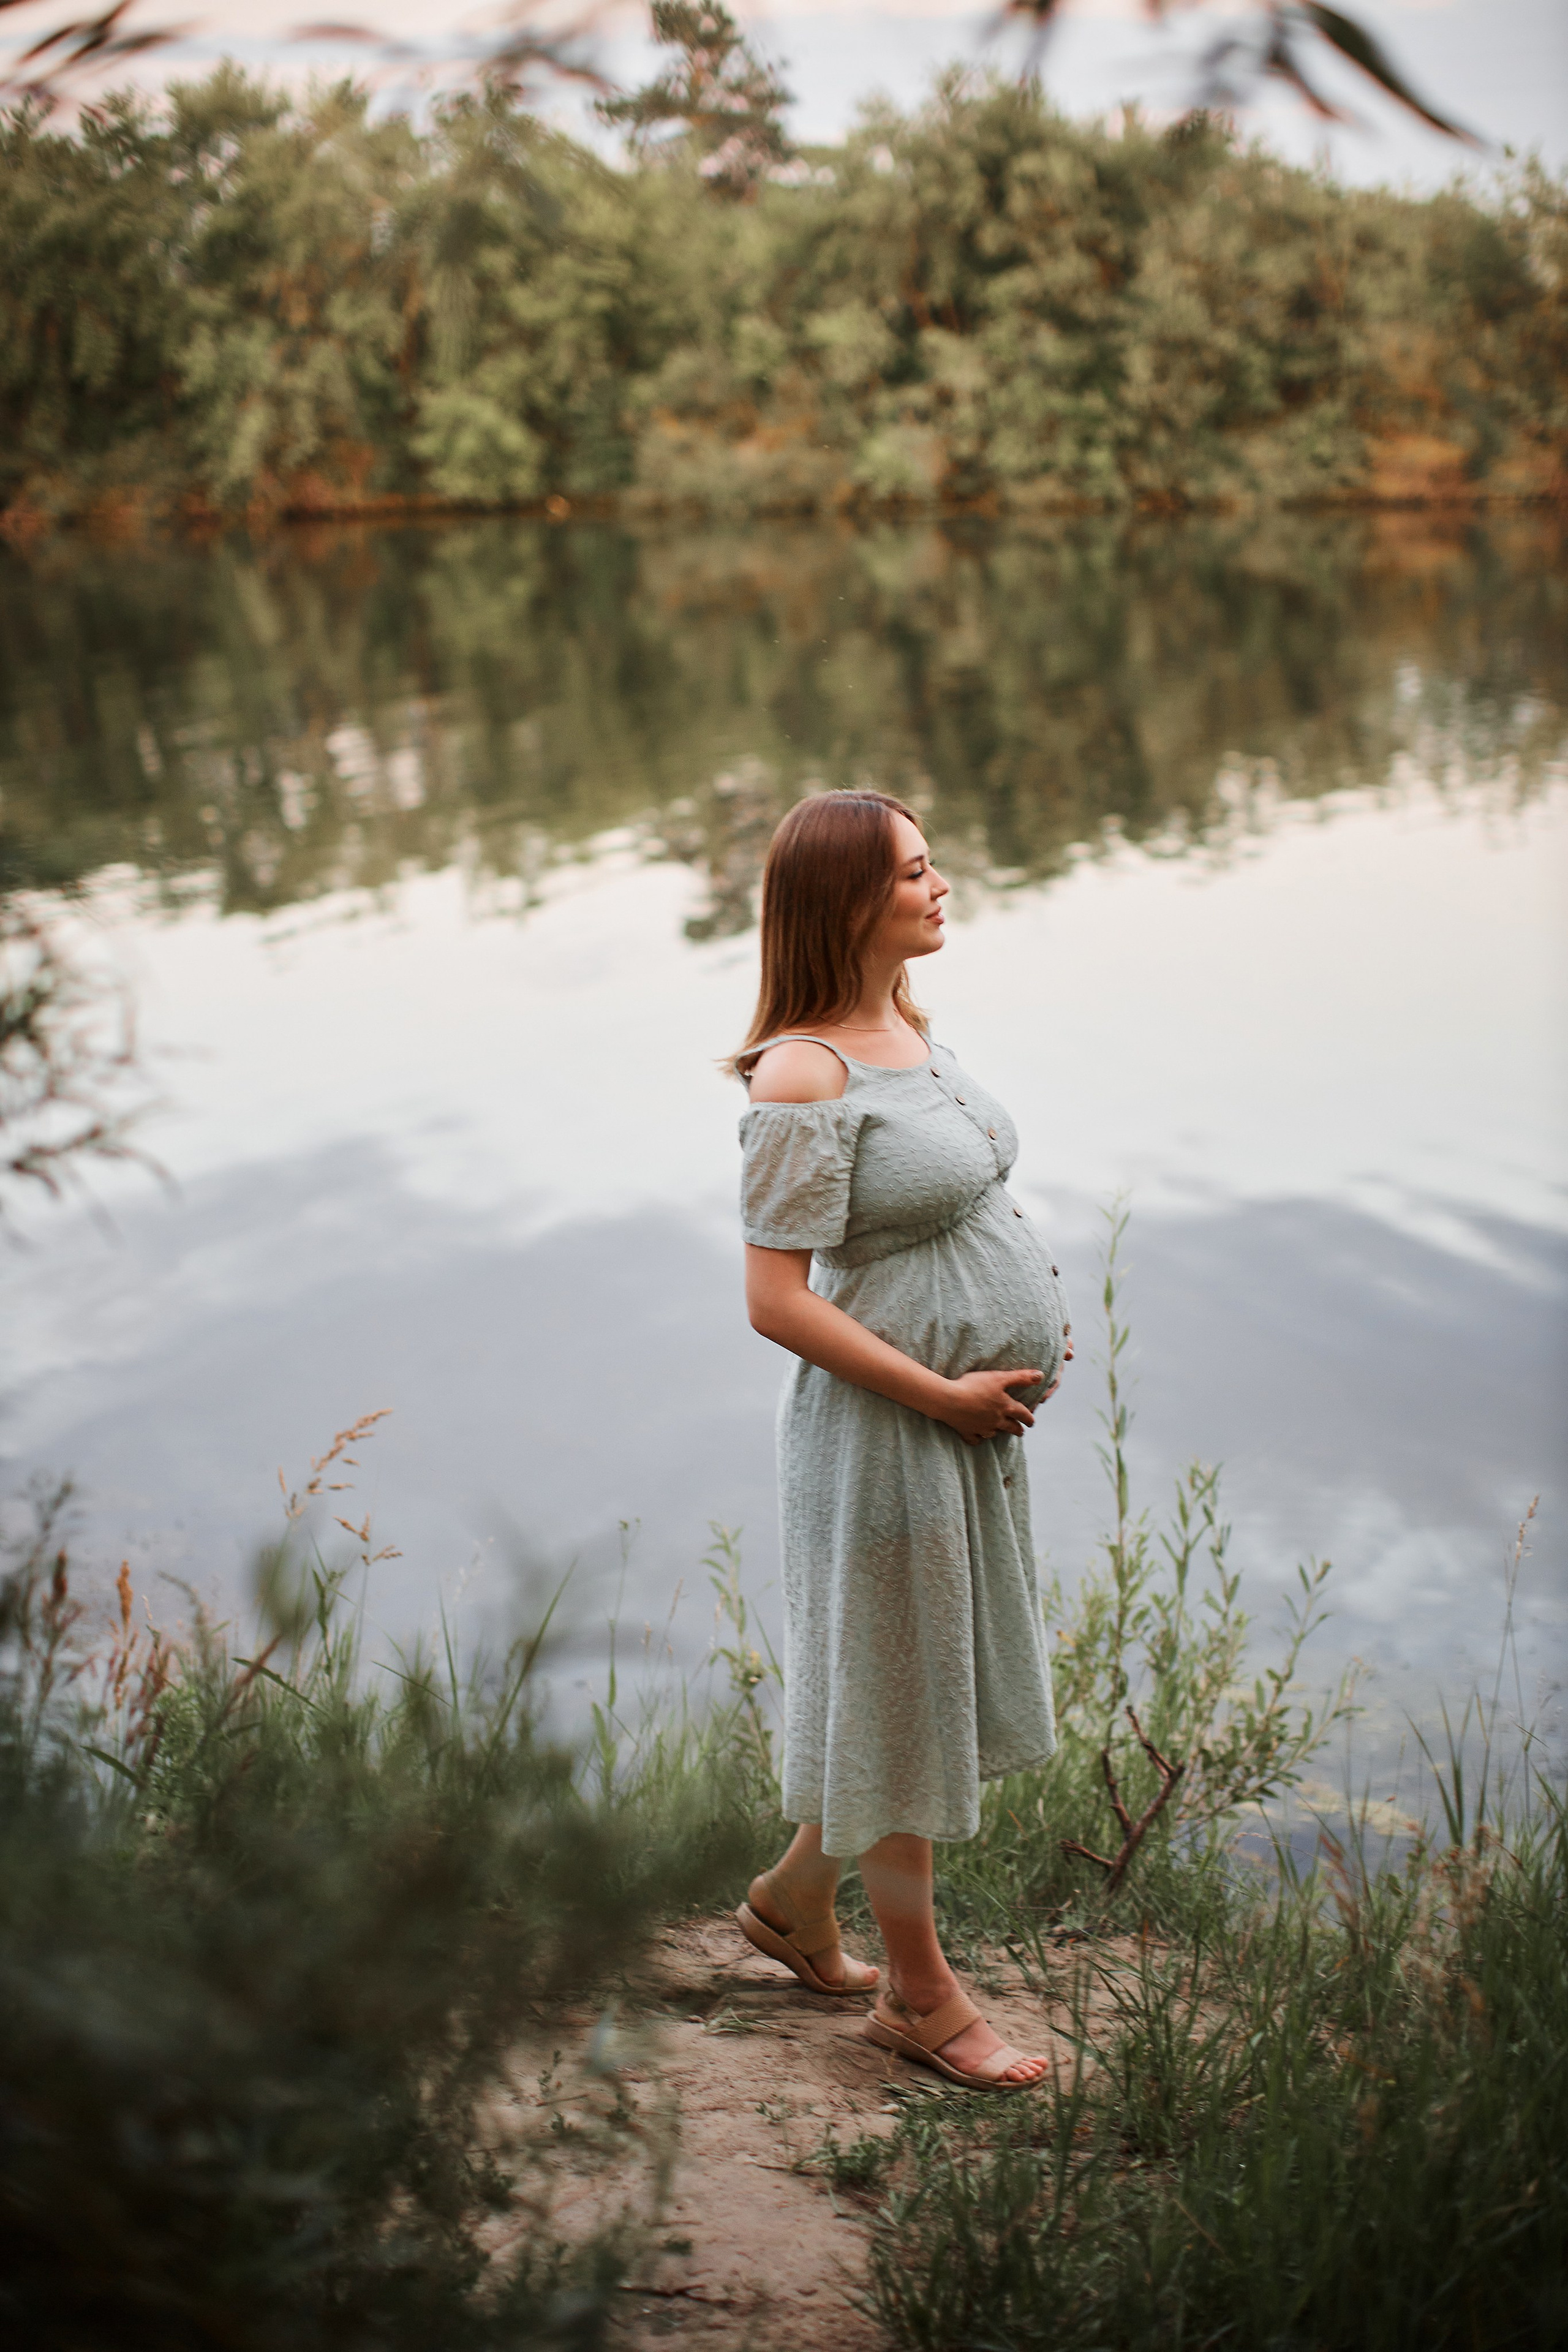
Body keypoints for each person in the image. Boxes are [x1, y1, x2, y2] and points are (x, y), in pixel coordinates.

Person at [728, 788, 1072, 2090]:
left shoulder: (904, 1030)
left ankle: (788, 1907)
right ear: (845, 901)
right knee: (898, 1695)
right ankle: (919, 2001)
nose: (940, 888)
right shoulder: (801, 1070)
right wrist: (938, 1393)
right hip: (881, 1432)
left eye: (932, 864)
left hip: (959, 1421)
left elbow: (958, 1208)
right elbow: (774, 1303)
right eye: (913, 874)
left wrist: (1019, 1319)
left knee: (900, 1683)